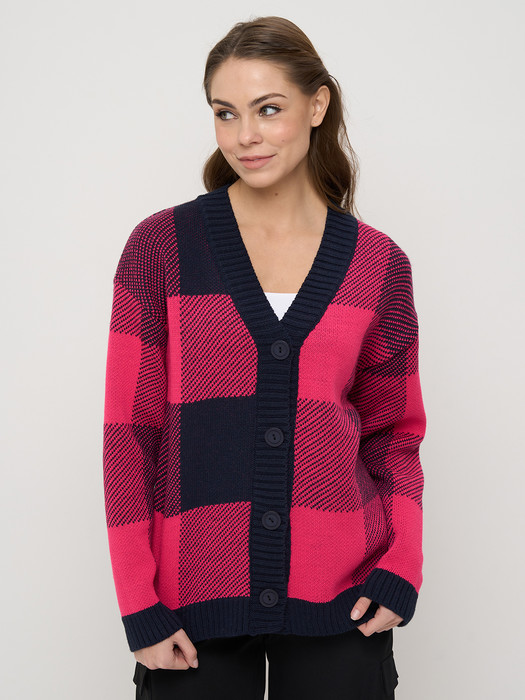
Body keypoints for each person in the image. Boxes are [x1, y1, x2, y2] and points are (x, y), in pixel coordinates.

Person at [103, 15, 426, 700]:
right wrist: (138, 601)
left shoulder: (377, 265)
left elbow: (393, 436)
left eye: (268, 109)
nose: (244, 135)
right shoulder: (160, 249)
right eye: (225, 113)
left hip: (345, 594)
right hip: (191, 598)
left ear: (317, 105)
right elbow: (129, 435)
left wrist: (402, 563)